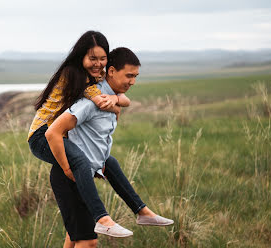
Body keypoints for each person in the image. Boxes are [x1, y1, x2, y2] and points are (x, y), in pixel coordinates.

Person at [46, 47, 174, 245]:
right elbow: (54, 131)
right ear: (111, 71)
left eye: (136, 76)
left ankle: (142, 211)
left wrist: (116, 100)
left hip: (84, 174)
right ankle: (117, 216)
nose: (133, 81)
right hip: (70, 177)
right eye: (129, 75)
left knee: (74, 238)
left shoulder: (111, 100)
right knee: (88, 242)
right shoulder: (91, 102)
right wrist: (67, 168)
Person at [28, 31, 133, 235]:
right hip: (42, 136)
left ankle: (141, 211)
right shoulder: (73, 74)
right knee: (80, 162)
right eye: (92, 58)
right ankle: (102, 218)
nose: (98, 63)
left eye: (103, 59)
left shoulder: (95, 76)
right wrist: (114, 103)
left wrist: (117, 100)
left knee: (108, 161)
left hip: (61, 136)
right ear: (81, 57)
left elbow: (123, 100)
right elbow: (101, 100)